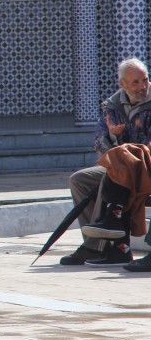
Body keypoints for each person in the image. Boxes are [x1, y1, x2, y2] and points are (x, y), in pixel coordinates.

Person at [61, 57, 151, 266]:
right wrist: (113, 136)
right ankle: (95, 246)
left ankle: (105, 244)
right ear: (123, 84)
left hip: (145, 169)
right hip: (121, 169)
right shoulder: (112, 107)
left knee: (111, 177)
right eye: (136, 82)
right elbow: (100, 147)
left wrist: (124, 148)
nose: (142, 87)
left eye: (145, 80)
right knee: (80, 180)